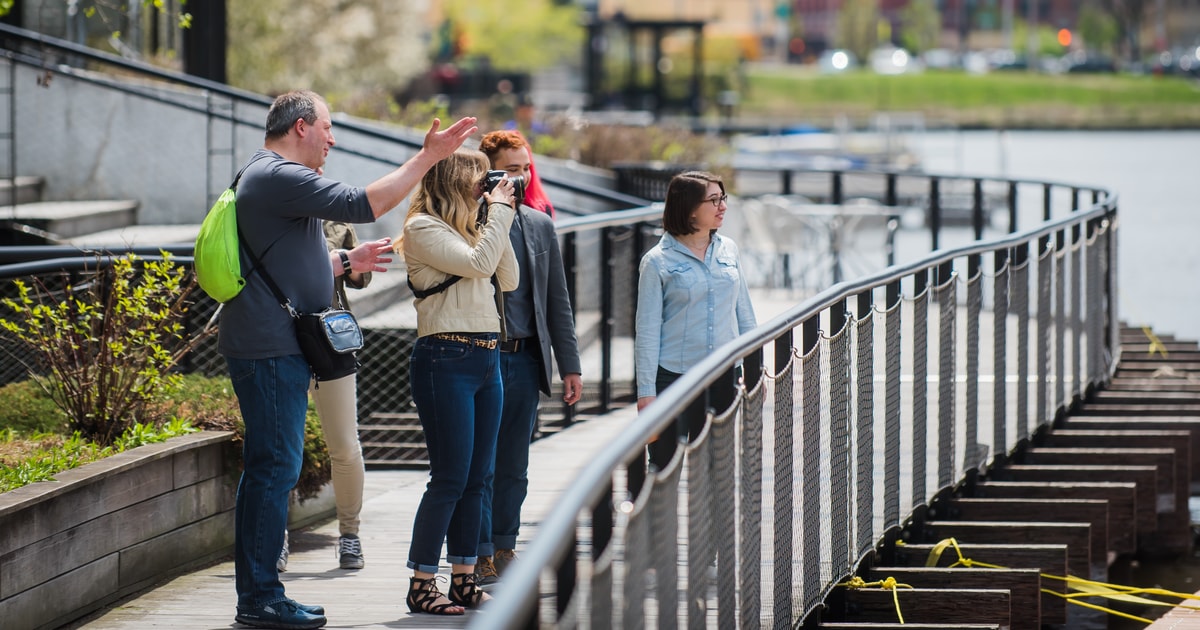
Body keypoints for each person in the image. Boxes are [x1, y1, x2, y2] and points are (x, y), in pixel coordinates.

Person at [218, 89, 475, 630]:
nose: (333, 140)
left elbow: (284, 258)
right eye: (328, 129)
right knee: (274, 469)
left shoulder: (265, 177)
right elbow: (366, 204)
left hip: (274, 344)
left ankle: (261, 593)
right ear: (302, 126)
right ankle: (260, 597)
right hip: (269, 348)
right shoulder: (279, 175)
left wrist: (342, 260)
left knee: (273, 466)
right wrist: (428, 156)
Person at [394, 148, 519, 615]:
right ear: (456, 179)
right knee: (449, 477)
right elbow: (482, 267)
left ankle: (464, 577)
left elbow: (508, 277)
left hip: (487, 357)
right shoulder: (423, 228)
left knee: (479, 477)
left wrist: (495, 217)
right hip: (445, 356)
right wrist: (500, 213)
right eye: (481, 179)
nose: (487, 186)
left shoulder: (476, 228)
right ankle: (423, 582)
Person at [475, 130, 582, 585]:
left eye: (525, 169)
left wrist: (570, 364)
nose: (519, 178)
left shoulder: (540, 224)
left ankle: (504, 547)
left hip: (523, 359)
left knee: (514, 466)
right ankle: (475, 550)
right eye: (510, 169)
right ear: (487, 171)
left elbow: (557, 300)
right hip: (478, 355)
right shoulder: (469, 220)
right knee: (479, 463)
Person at [634, 171, 757, 464]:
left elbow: (745, 314)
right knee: (664, 465)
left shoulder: (729, 249)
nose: (722, 206)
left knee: (720, 467)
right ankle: (661, 514)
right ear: (688, 208)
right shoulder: (656, 262)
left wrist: (753, 369)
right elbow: (647, 331)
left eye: (723, 198)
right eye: (713, 200)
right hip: (673, 378)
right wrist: (646, 393)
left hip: (724, 374)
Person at [277, 220, 374, 575]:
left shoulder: (336, 220)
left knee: (346, 445)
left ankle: (350, 534)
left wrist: (355, 262)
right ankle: (276, 537)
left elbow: (361, 279)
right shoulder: (270, 211)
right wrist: (337, 259)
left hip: (329, 338)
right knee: (281, 446)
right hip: (281, 338)